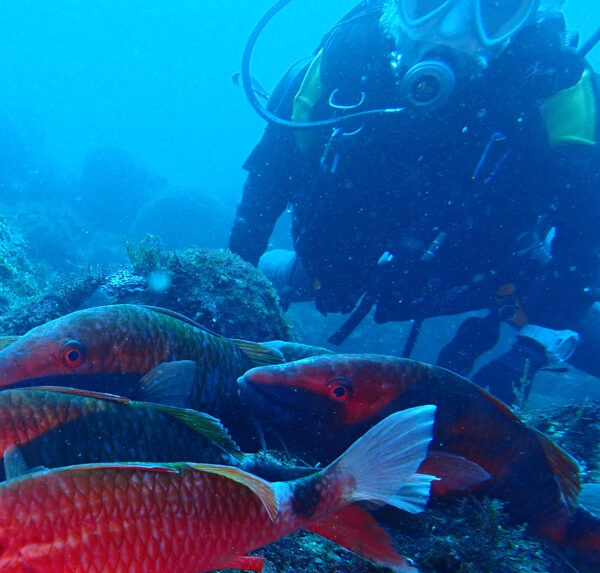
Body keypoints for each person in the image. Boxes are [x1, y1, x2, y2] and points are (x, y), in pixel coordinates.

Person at [229, 0, 600, 403]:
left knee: (565, 312)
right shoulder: (344, 61)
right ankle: (296, 271)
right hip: (336, 264)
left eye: (495, 5)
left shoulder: (557, 90)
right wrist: (237, 288)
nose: (453, 29)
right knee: (290, 273)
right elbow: (266, 188)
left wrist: (530, 351)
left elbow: (584, 240)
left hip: (484, 278)